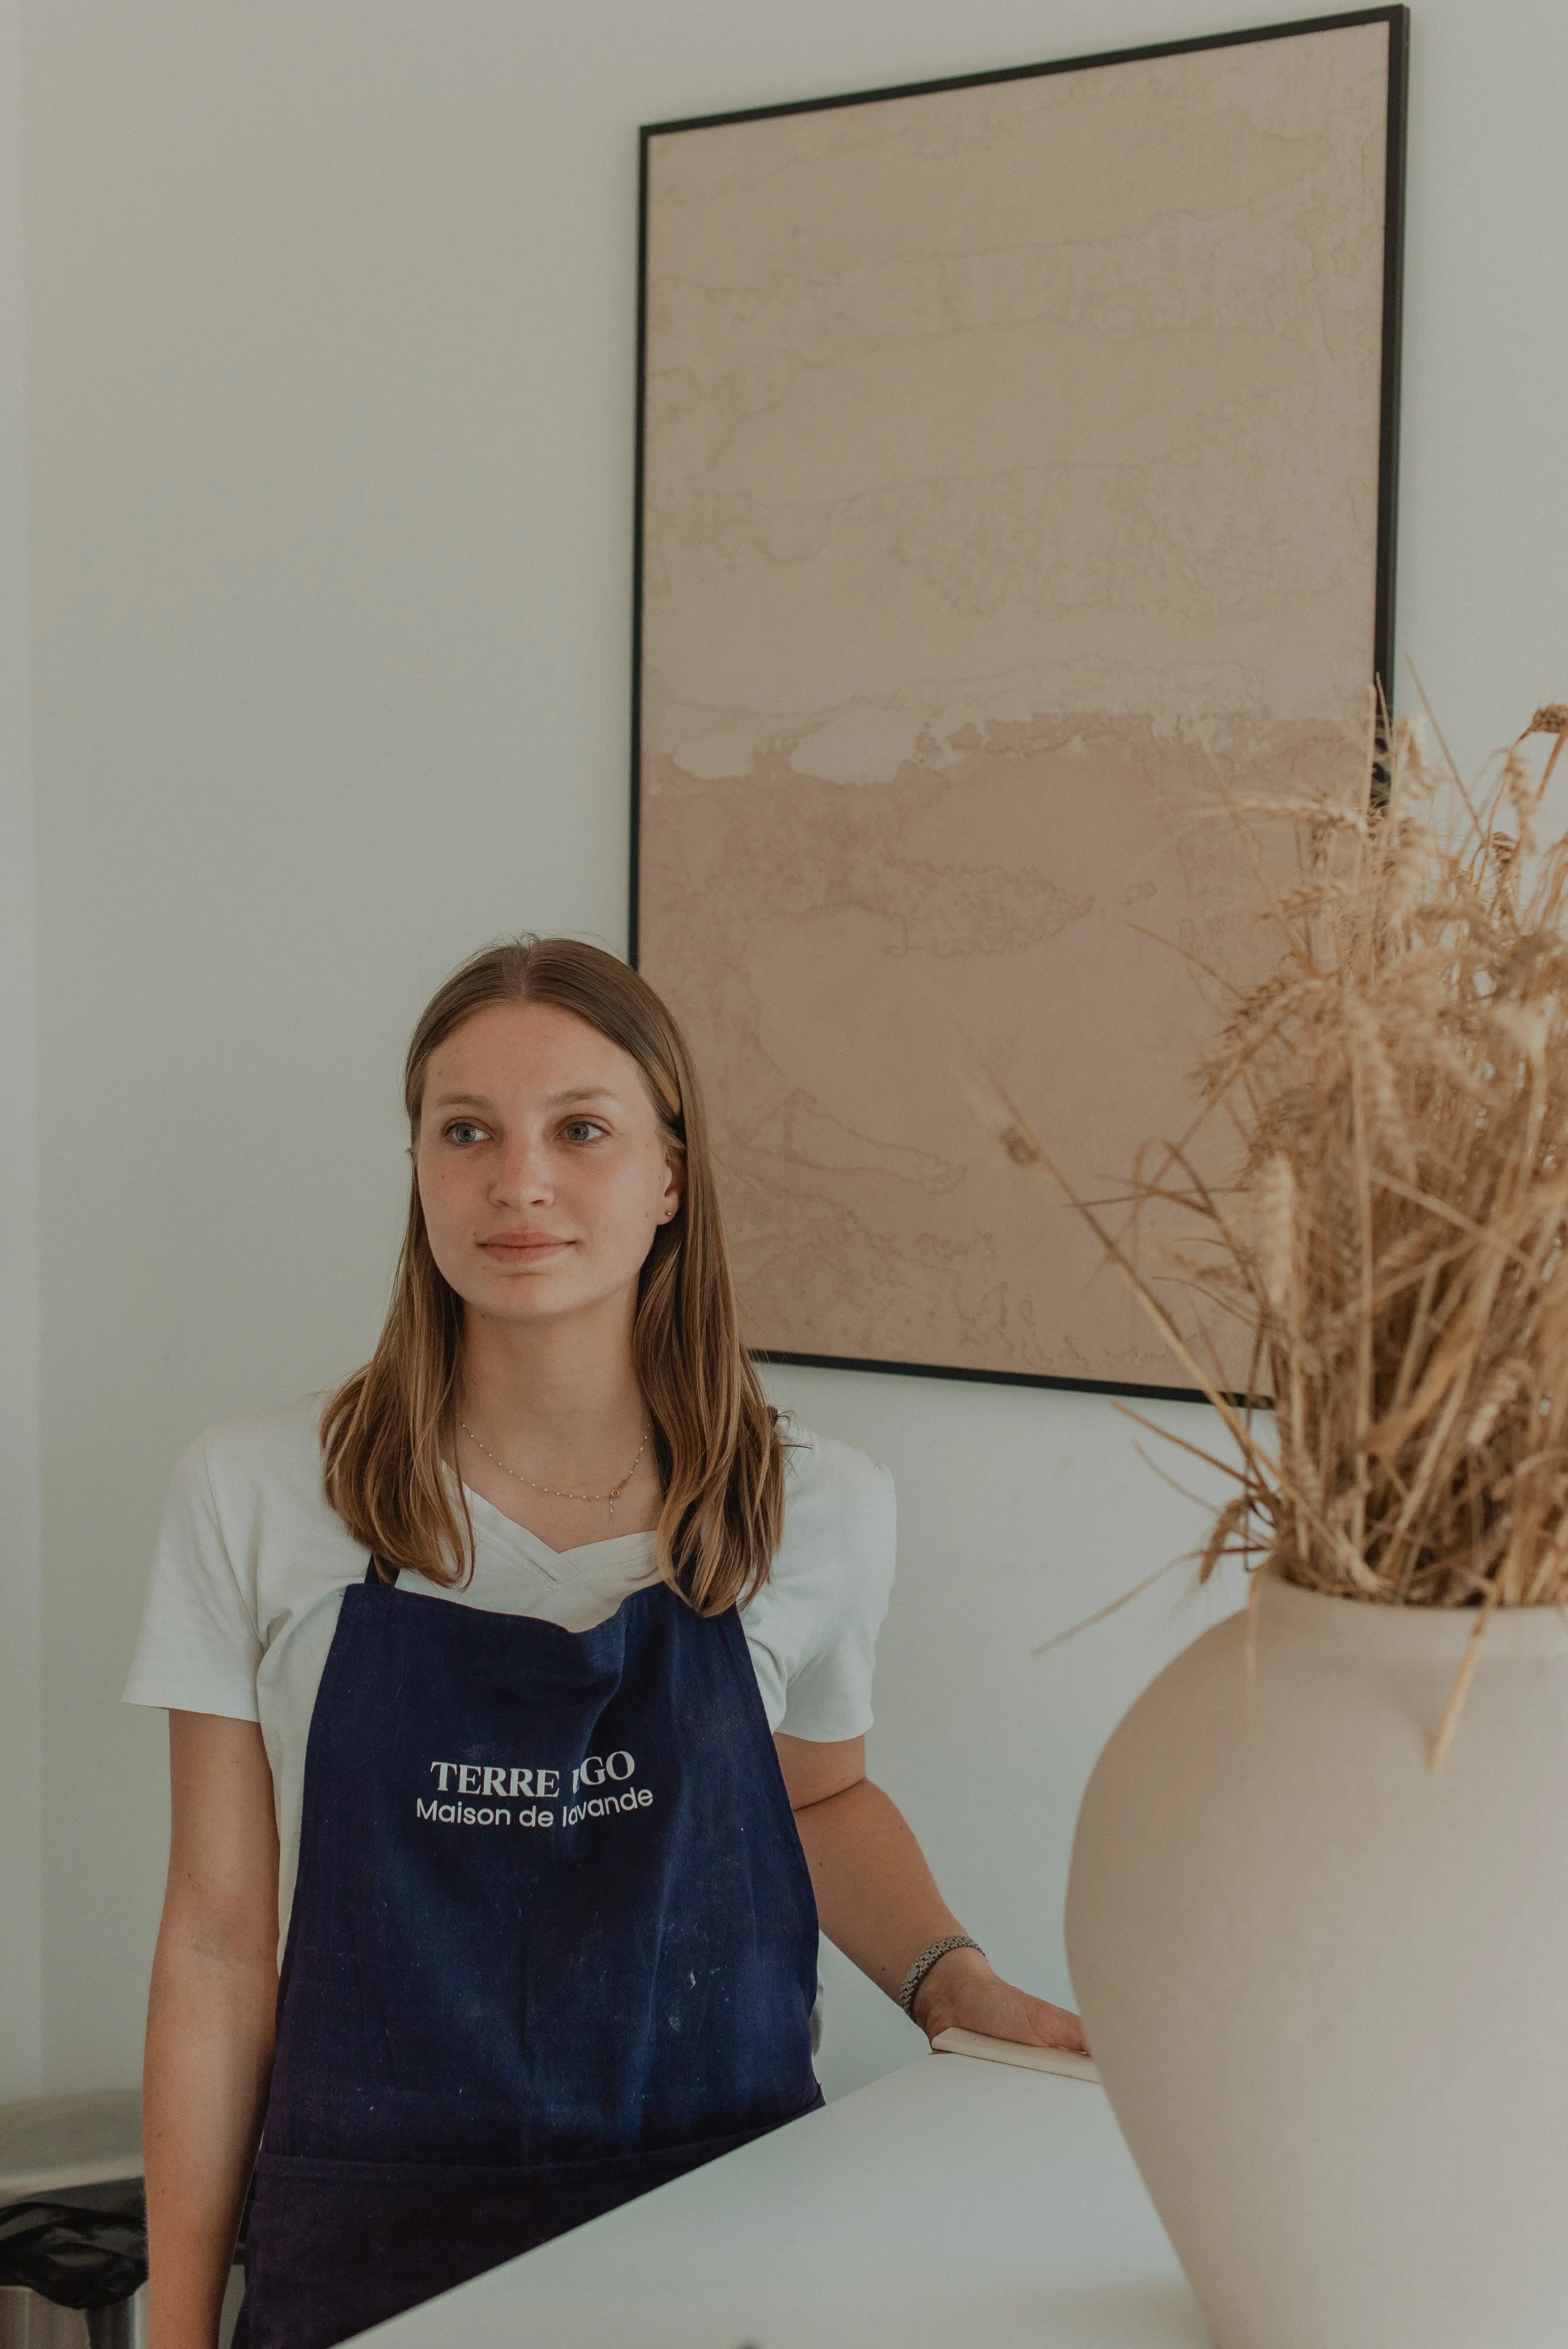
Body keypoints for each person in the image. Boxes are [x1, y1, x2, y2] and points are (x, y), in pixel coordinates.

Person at [125, 936, 1086, 2349]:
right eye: (468, 1133)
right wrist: (179, 2330)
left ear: (671, 1178)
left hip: (726, 2218)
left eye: (582, 1130)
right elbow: (215, 1943)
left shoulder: (816, 1507)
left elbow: (814, 1797)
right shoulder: (258, 1491)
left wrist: (956, 1980)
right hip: (374, 2235)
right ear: (419, 1168)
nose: (519, 1182)